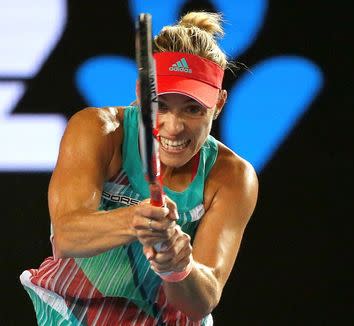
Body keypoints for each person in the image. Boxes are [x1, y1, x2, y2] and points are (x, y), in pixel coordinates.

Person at [20, 11, 258, 325]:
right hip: (71, 314)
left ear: (219, 104)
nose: (174, 127)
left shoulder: (232, 177)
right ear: (140, 94)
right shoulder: (98, 130)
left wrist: (178, 267)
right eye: (160, 104)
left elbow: (201, 302)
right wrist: (137, 219)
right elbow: (67, 236)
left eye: (192, 109)